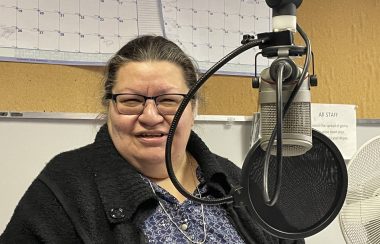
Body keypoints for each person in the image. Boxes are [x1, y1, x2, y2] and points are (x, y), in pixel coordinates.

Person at [0, 35, 304, 244]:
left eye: (169, 101)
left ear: (194, 107)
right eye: (131, 100)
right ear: (109, 105)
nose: (149, 116)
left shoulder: (236, 182)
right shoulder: (64, 187)